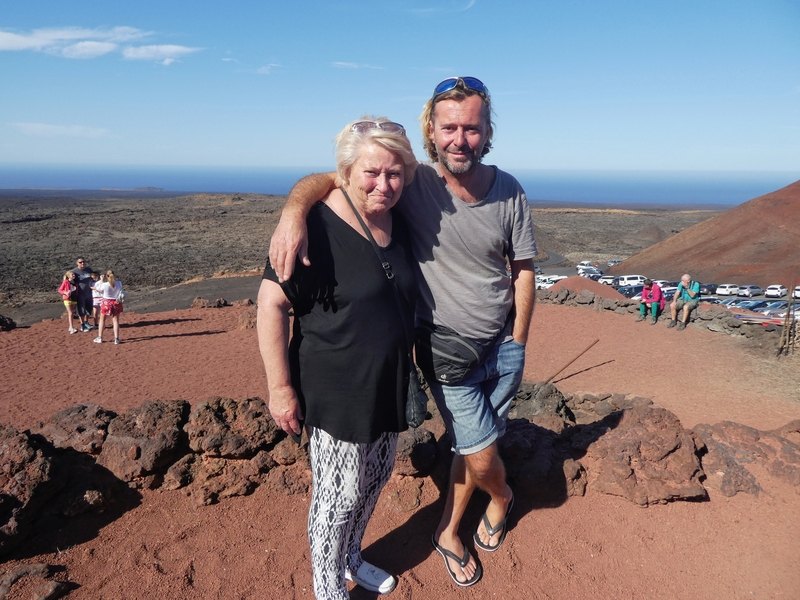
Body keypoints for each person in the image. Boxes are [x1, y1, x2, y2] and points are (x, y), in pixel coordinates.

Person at [268, 76, 537, 588]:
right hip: (436, 356)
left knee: (453, 452)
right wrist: (292, 211)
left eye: (472, 128)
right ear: (431, 132)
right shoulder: (415, 184)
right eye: (449, 128)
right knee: (476, 449)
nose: (461, 139)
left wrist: (518, 342)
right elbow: (338, 176)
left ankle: (434, 530)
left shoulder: (502, 191)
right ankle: (485, 508)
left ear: (487, 132)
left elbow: (522, 268)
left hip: (492, 350)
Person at [258, 116, 418, 600]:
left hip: (386, 381)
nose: (384, 185)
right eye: (372, 172)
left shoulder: (400, 216)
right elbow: (271, 304)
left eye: (394, 174)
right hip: (336, 388)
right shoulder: (315, 228)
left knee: (375, 477)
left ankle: (351, 557)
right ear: (346, 172)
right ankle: (327, 586)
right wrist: (280, 390)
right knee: (338, 494)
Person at [93, 269, 124, 344]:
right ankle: (116, 338)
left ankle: (100, 337)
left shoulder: (104, 284)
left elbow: (98, 289)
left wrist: (101, 280)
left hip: (106, 303)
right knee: (115, 321)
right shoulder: (119, 283)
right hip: (116, 302)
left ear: (106, 276)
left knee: (102, 320)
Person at [71, 257, 95, 332]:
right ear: (77, 263)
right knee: (81, 309)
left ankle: (86, 322)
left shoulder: (89, 270)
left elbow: (93, 278)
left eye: (83, 262)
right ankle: (82, 325)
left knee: (89, 308)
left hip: (89, 293)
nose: (82, 263)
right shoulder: (74, 272)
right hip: (80, 294)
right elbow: (69, 281)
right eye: (80, 262)